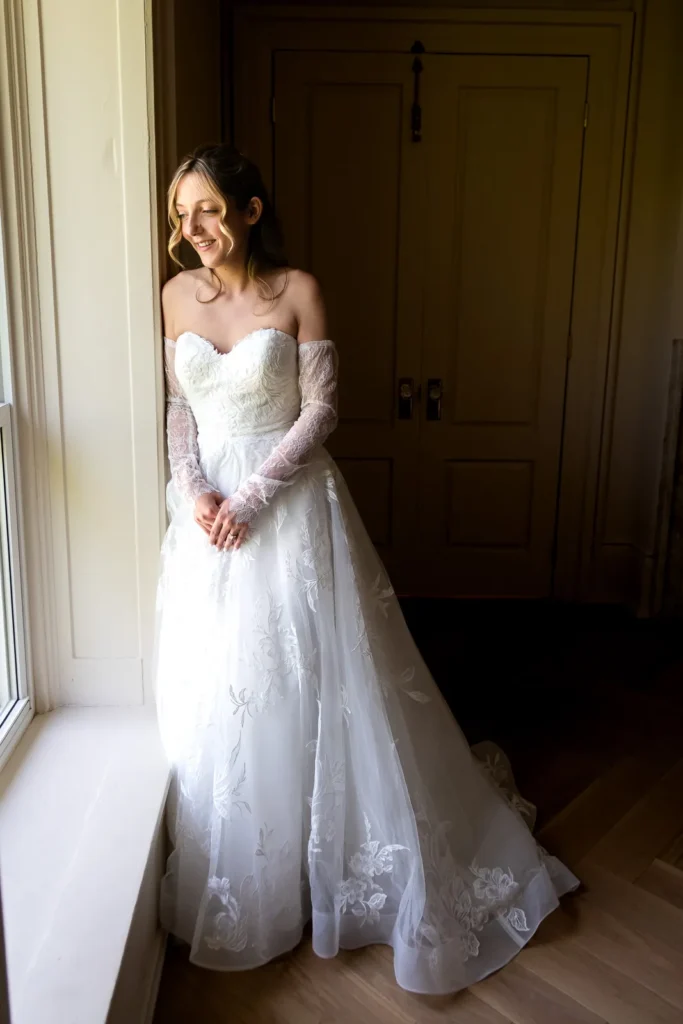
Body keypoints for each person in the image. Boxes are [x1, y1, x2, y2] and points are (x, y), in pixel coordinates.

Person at [154, 142, 578, 994]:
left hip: (289, 508)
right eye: (180, 214)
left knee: (315, 680)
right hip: (207, 524)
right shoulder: (174, 297)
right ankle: (252, 880)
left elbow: (321, 410)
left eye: (205, 208)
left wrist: (255, 496)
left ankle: (340, 863)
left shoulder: (297, 290)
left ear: (249, 209)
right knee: (229, 691)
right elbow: (179, 410)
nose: (192, 228)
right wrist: (195, 487)